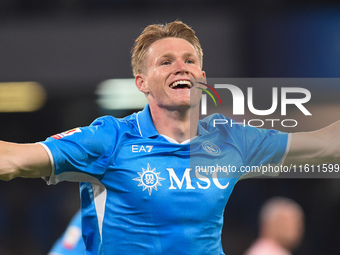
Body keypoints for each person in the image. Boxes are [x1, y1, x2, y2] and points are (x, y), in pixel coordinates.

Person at [0, 21, 339, 255]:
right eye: (165, 62)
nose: (181, 67)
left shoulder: (230, 141)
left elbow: (326, 145)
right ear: (141, 82)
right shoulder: (110, 139)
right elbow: (13, 158)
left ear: (202, 79)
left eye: (189, 60)